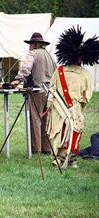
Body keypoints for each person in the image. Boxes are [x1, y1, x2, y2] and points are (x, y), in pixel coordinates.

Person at [46, 26, 98, 168]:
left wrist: (48, 107)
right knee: (75, 131)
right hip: (75, 109)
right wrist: (78, 106)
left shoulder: (59, 71)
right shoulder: (86, 74)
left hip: (58, 109)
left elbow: (51, 90)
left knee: (59, 132)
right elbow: (87, 97)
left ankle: (61, 158)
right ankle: (71, 158)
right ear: (82, 57)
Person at [11, 32, 57, 154]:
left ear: (35, 44)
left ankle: (36, 148)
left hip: (37, 91)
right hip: (50, 92)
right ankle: (46, 148)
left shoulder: (33, 53)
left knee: (35, 119)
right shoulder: (49, 55)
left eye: (31, 44)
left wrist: (18, 79)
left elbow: (26, 68)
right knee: (46, 120)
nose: (29, 46)